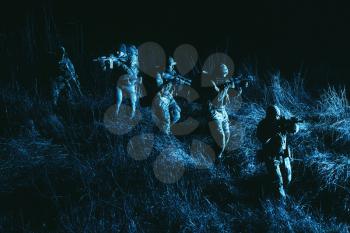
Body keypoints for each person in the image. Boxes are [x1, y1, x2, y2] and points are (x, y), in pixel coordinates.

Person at [256, 105, 300, 200]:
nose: (276, 118)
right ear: (268, 116)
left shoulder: (281, 122)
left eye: (277, 116)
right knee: (277, 182)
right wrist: (274, 131)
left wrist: (293, 124)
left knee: (287, 179)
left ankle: (271, 190)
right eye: (274, 116)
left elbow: (293, 131)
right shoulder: (263, 125)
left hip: (284, 156)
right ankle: (280, 203)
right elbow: (263, 139)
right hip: (272, 157)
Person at [208, 64, 243, 159]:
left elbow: (229, 96)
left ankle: (218, 154)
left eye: (226, 74)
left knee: (227, 135)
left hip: (222, 111)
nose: (225, 76)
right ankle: (216, 157)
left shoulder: (225, 82)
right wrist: (224, 88)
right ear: (217, 73)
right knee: (221, 137)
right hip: (213, 111)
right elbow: (217, 98)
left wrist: (237, 92)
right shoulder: (211, 82)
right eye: (223, 74)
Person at [152, 57, 182, 134]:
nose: (173, 67)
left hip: (169, 97)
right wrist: (171, 81)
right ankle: (164, 132)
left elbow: (176, 91)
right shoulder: (158, 74)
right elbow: (160, 89)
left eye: (173, 65)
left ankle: (165, 128)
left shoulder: (173, 73)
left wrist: (178, 84)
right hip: (160, 98)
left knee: (177, 114)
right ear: (165, 66)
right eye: (170, 65)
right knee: (166, 119)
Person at [113, 44, 142, 118]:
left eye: (119, 52)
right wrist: (109, 63)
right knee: (118, 100)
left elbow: (131, 72)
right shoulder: (120, 57)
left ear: (124, 52)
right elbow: (111, 70)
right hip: (121, 81)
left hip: (131, 81)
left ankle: (131, 118)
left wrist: (119, 63)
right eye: (117, 52)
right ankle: (115, 116)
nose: (117, 54)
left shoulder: (132, 57)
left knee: (133, 102)